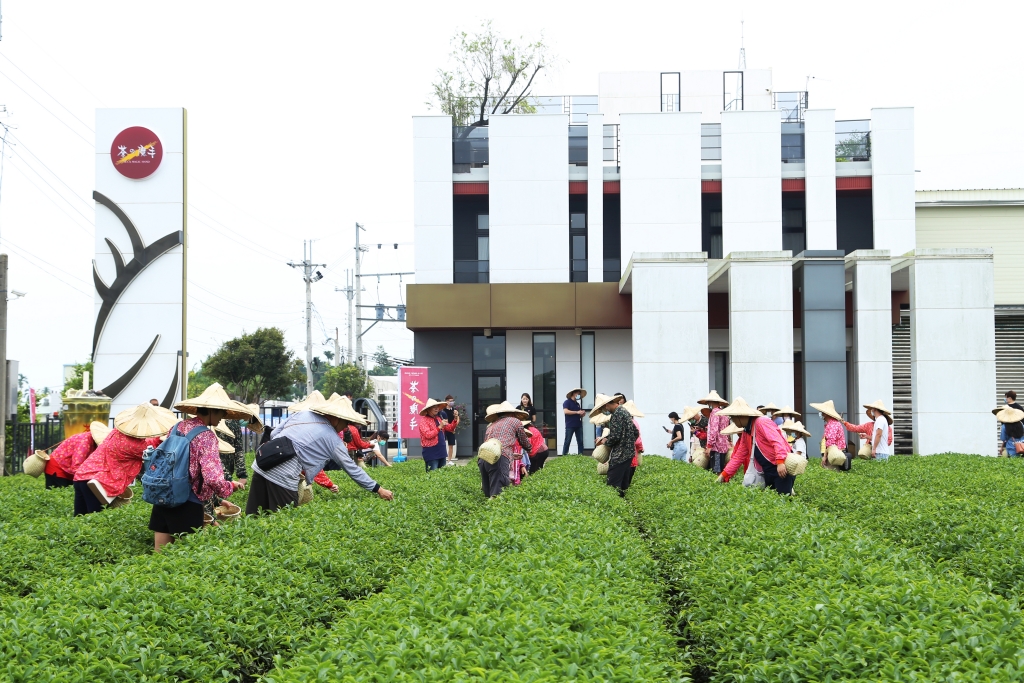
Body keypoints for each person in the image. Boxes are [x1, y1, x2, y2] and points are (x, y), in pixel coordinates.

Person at [246, 392, 393, 516]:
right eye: (345, 423)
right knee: (284, 520)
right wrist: (378, 489)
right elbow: (352, 468)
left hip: (262, 463)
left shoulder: (303, 414)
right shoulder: (332, 439)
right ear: (336, 419)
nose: (345, 427)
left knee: (254, 516)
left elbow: (274, 434)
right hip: (284, 475)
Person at [73, 404, 175, 516]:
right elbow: (154, 453)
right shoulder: (134, 446)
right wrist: (161, 438)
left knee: (80, 517)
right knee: (94, 518)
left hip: (81, 476)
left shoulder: (116, 432)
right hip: (96, 484)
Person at [717, 397, 795, 495]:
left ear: (740, 416)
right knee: (772, 499)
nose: (733, 421)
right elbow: (738, 456)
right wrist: (724, 475)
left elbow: (777, 441)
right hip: (768, 470)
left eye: (733, 418)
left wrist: (780, 462)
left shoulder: (761, 422)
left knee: (783, 498)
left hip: (781, 467)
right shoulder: (746, 432)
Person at [480, 401, 532, 498]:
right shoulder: (515, 421)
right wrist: (529, 448)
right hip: (499, 459)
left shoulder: (491, 426)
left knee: (488, 493)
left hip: (483, 459)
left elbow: (492, 446)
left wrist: (511, 454)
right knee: (498, 494)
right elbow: (524, 440)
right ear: (512, 413)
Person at [591, 393, 639, 496]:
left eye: (603, 408)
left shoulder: (616, 414)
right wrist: (627, 442)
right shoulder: (625, 411)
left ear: (607, 405)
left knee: (613, 486)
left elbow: (615, 437)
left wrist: (605, 441)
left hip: (619, 456)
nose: (604, 410)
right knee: (623, 486)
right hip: (629, 455)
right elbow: (635, 432)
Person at [44, 422, 110, 489]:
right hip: (57, 468)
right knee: (59, 492)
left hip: (68, 469)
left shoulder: (91, 440)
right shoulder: (84, 442)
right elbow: (76, 466)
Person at [417, 398, 456, 471]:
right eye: (434, 407)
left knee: (441, 474)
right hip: (431, 452)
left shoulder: (438, 418)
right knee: (432, 474)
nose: (436, 409)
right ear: (428, 409)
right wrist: (439, 427)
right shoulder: (424, 421)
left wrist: (455, 419)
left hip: (441, 450)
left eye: (437, 407)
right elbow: (428, 435)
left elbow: (449, 428)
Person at [699, 390, 730, 474]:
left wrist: (709, 445)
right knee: (720, 469)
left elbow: (714, 430)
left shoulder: (715, 412)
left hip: (716, 447)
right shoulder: (724, 413)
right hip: (723, 445)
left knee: (716, 471)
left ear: (710, 402)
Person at [811, 400, 848, 470]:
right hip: (834, 453)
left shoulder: (832, 424)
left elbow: (831, 443)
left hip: (834, 454)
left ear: (825, 413)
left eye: (822, 412)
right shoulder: (832, 423)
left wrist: (825, 456)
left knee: (832, 472)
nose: (821, 414)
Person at [562, 388, 587, 455]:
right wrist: (577, 412)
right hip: (570, 425)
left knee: (580, 441)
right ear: (574, 393)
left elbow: (578, 414)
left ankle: (580, 455)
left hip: (578, 425)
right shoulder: (567, 402)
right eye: (578, 393)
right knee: (567, 441)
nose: (579, 395)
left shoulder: (577, 404)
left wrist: (582, 414)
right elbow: (566, 411)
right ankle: (564, 455)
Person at [440, 395, 459, 466]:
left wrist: (454, 426)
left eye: (453, 401)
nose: (452, 402)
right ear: (446, 401)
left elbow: (457, 419)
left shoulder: (454, 410)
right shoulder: (443, 411)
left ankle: (449, 460)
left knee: (451, 445)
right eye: (450, 401)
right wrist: (447, 427)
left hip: (452, 430)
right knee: (443, 444)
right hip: (444, 429)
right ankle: (442, 459)